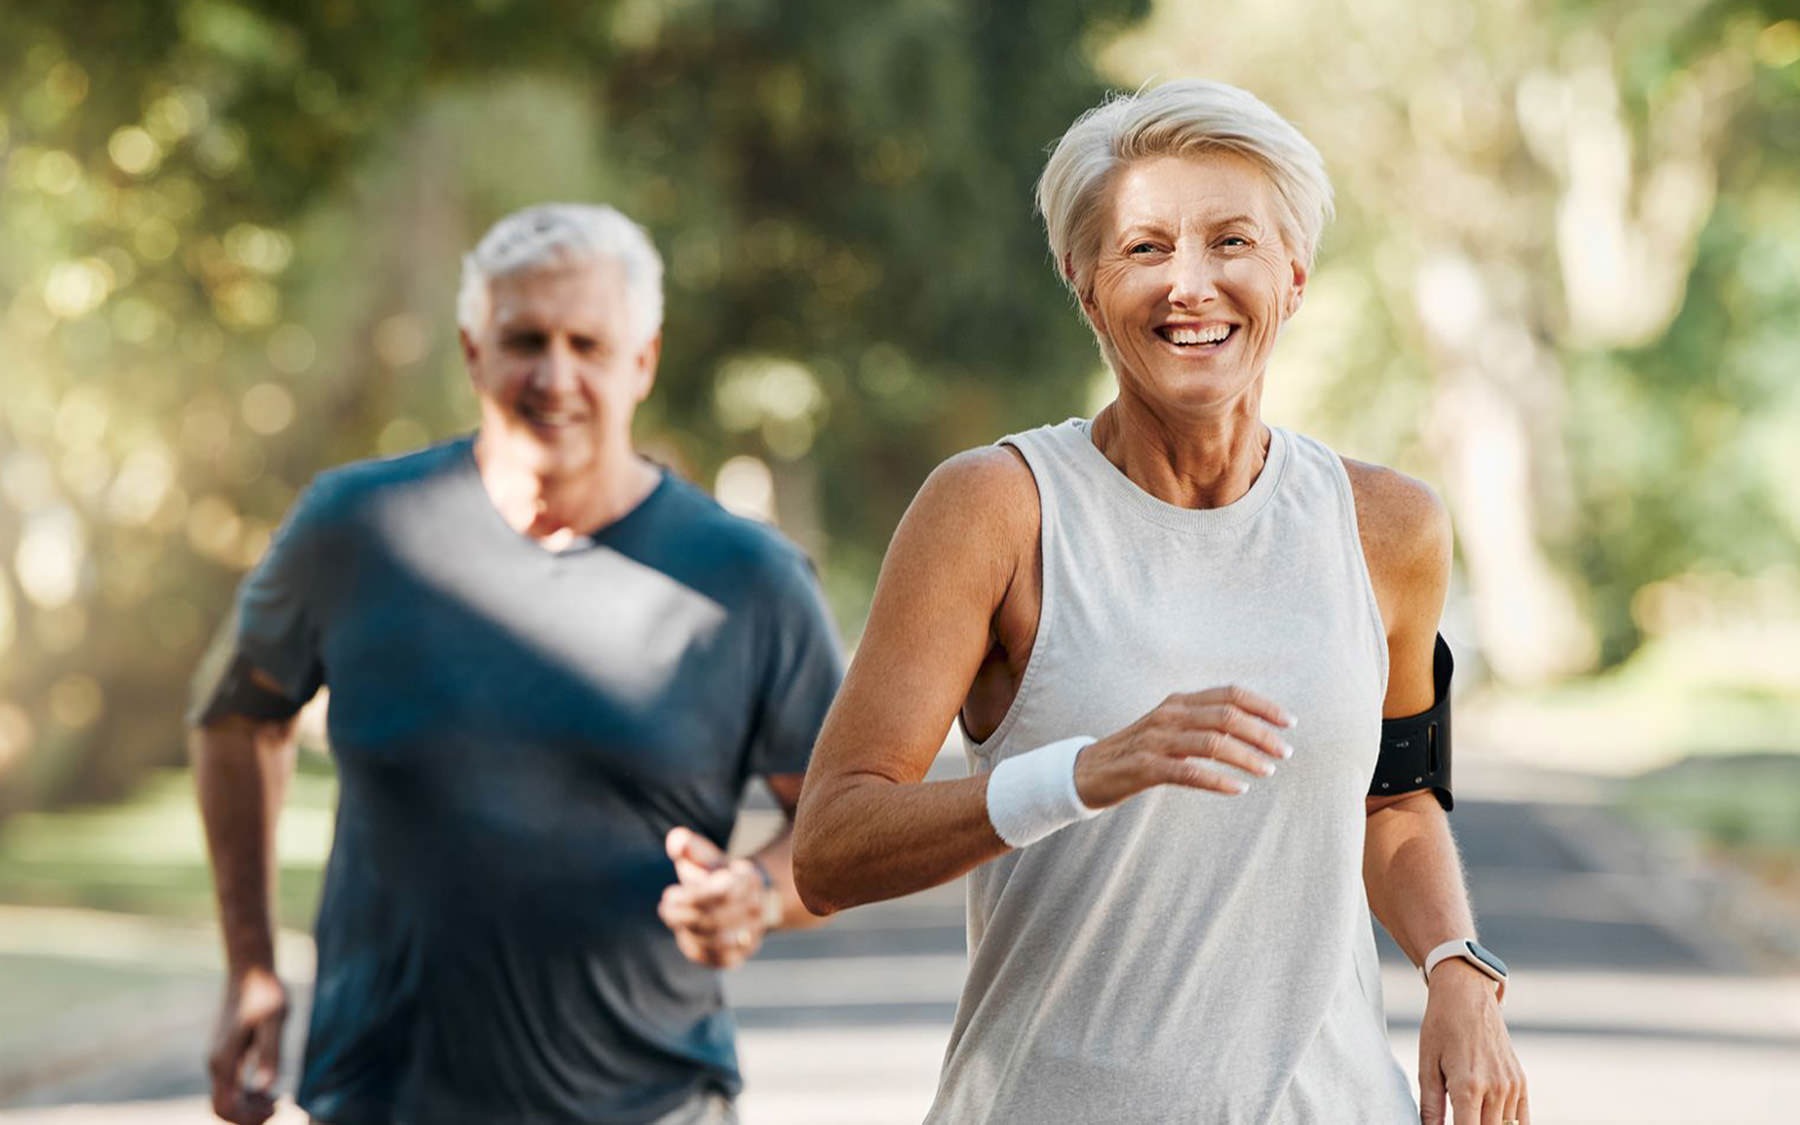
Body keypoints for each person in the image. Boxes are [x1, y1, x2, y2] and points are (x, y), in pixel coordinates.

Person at [792, 80, 1530, 1124]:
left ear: (1294, 275)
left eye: (1232, 242)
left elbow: (1397, 798)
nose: (1192, 285)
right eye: (1144, 249)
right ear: (1085, 286)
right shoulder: (996, 510)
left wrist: (1458, 964)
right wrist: (1085, 773)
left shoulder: (1389, 528)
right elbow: (830, 848)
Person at [189, 203, 843, 1125]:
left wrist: (759, 894)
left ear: (643, 360)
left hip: (648, 1104)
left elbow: (843, 823)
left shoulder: (750, 580)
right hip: (379, 1100)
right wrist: (250, 963)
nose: (555, 375)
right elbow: (237, 718)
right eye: (525, 339)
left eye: (589, 344)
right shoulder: (355, 529)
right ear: (473, 351)